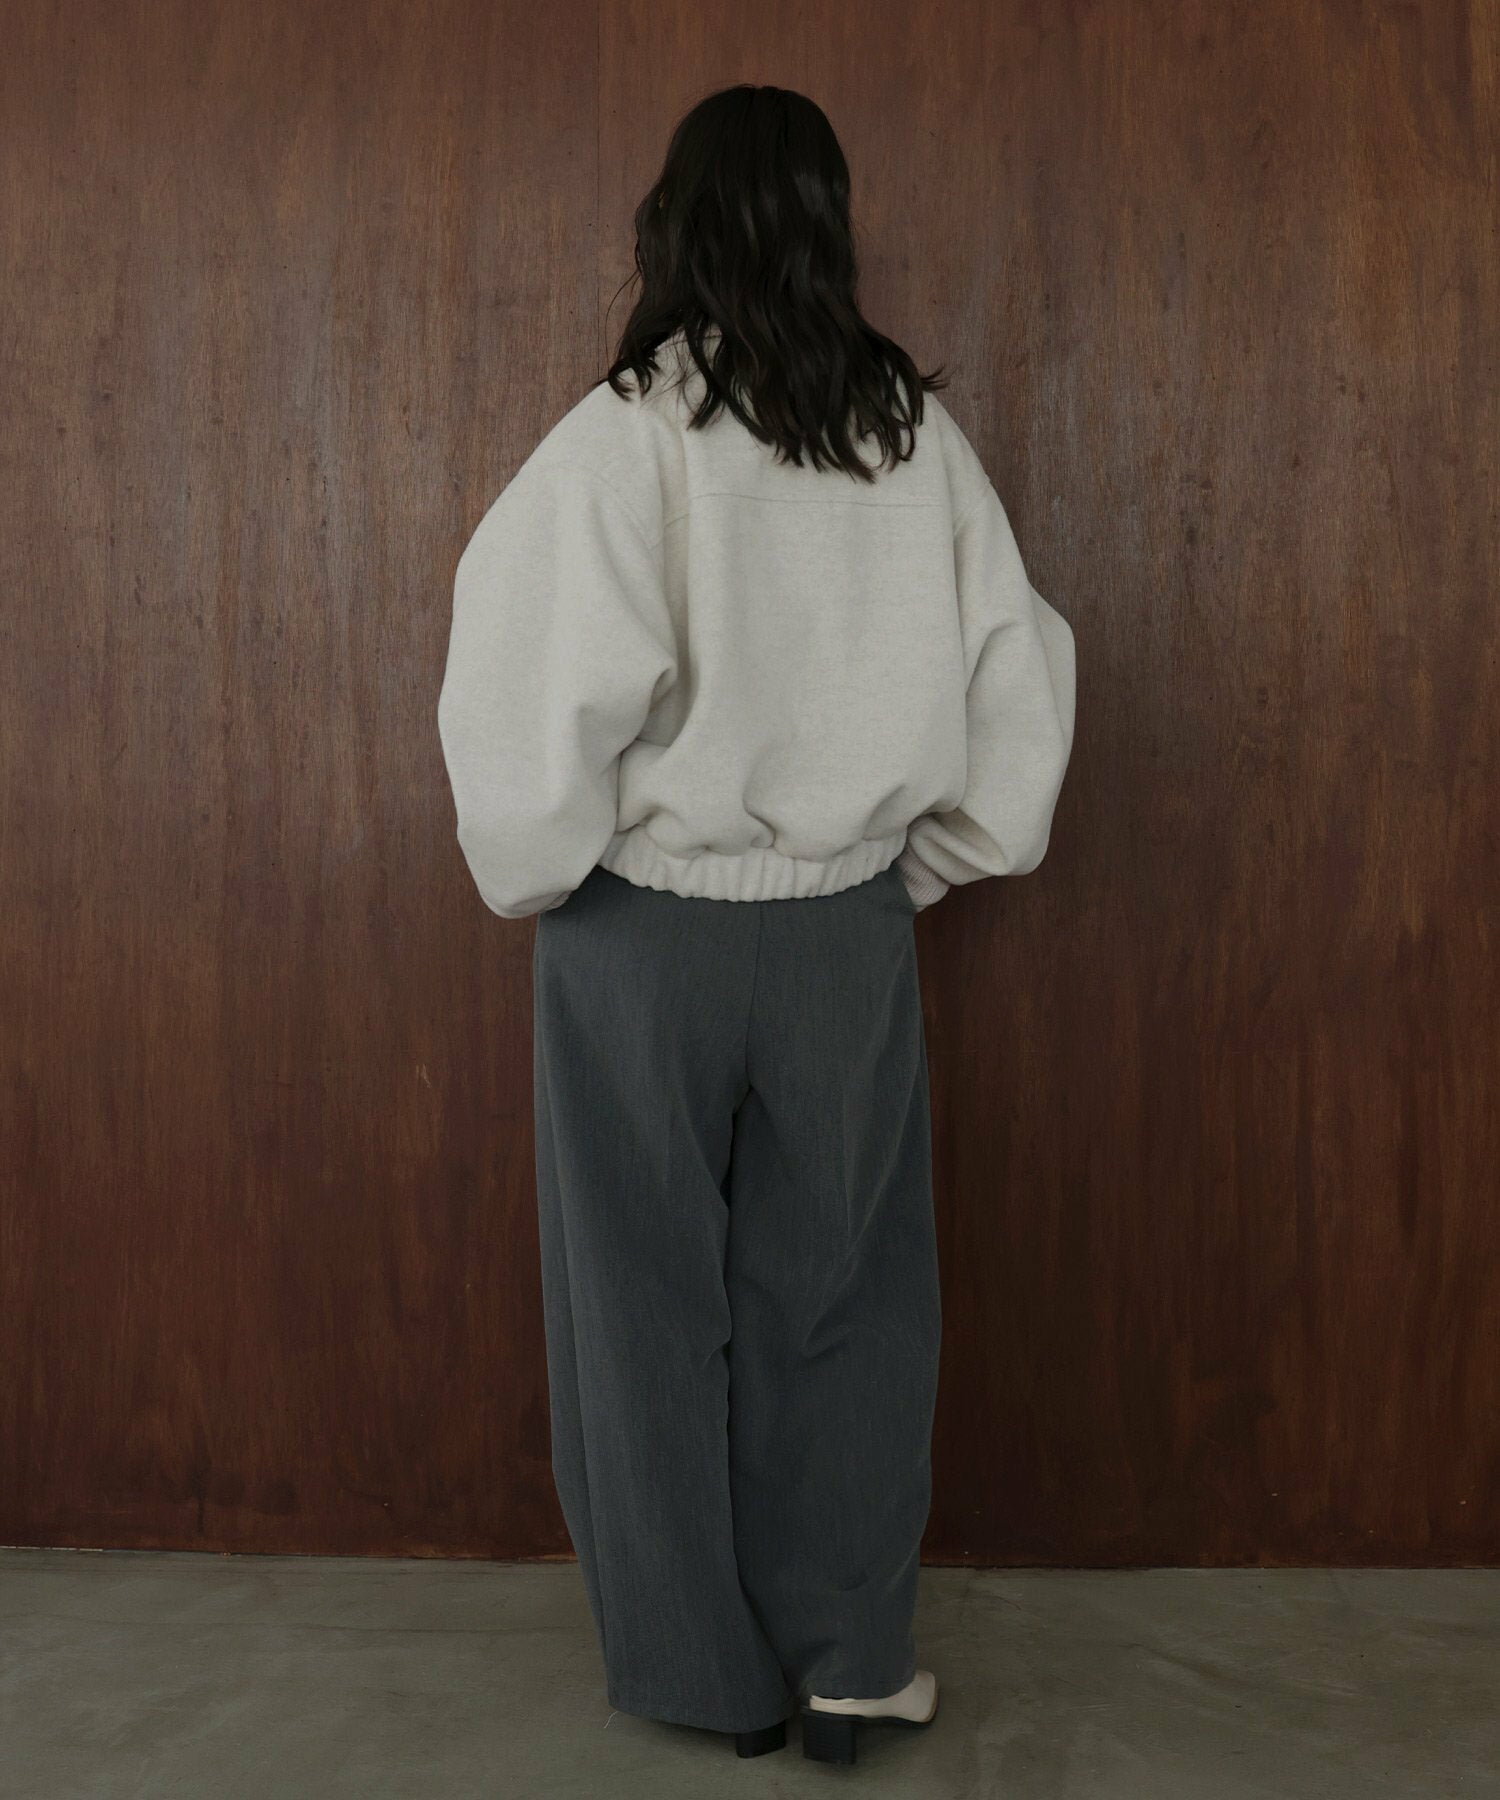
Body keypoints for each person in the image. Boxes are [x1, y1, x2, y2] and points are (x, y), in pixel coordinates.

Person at [436, 83, 1077, 1768]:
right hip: (842, 939)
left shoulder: (627, 433)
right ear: (827, 227)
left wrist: (542, 865)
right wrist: (902, 872)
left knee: (638, 1308)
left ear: (674, 225)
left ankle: (702, 1674)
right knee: (849, 1296)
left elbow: (526, 675)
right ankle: (852, 1654)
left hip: (640, 937)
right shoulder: (910, 439)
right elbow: (1015, 684)